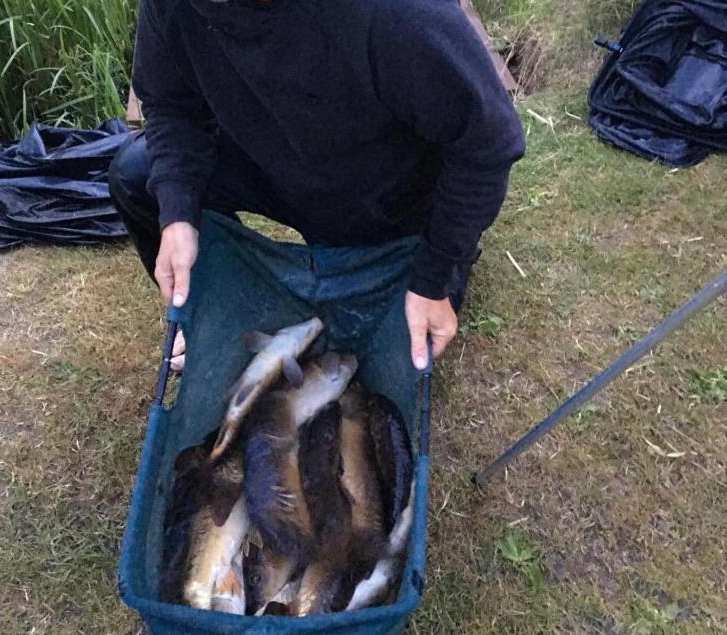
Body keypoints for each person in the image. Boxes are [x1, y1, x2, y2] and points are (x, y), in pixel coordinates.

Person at [109, 0, 525, 372]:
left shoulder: (398, 14)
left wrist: (435, 277)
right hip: (272, 158)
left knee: (376, 361)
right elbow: (170, 103)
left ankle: (424, 274)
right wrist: (178, 212)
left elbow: (488, 143)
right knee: (139, 177)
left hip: (385, 200)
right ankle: (221, 319)